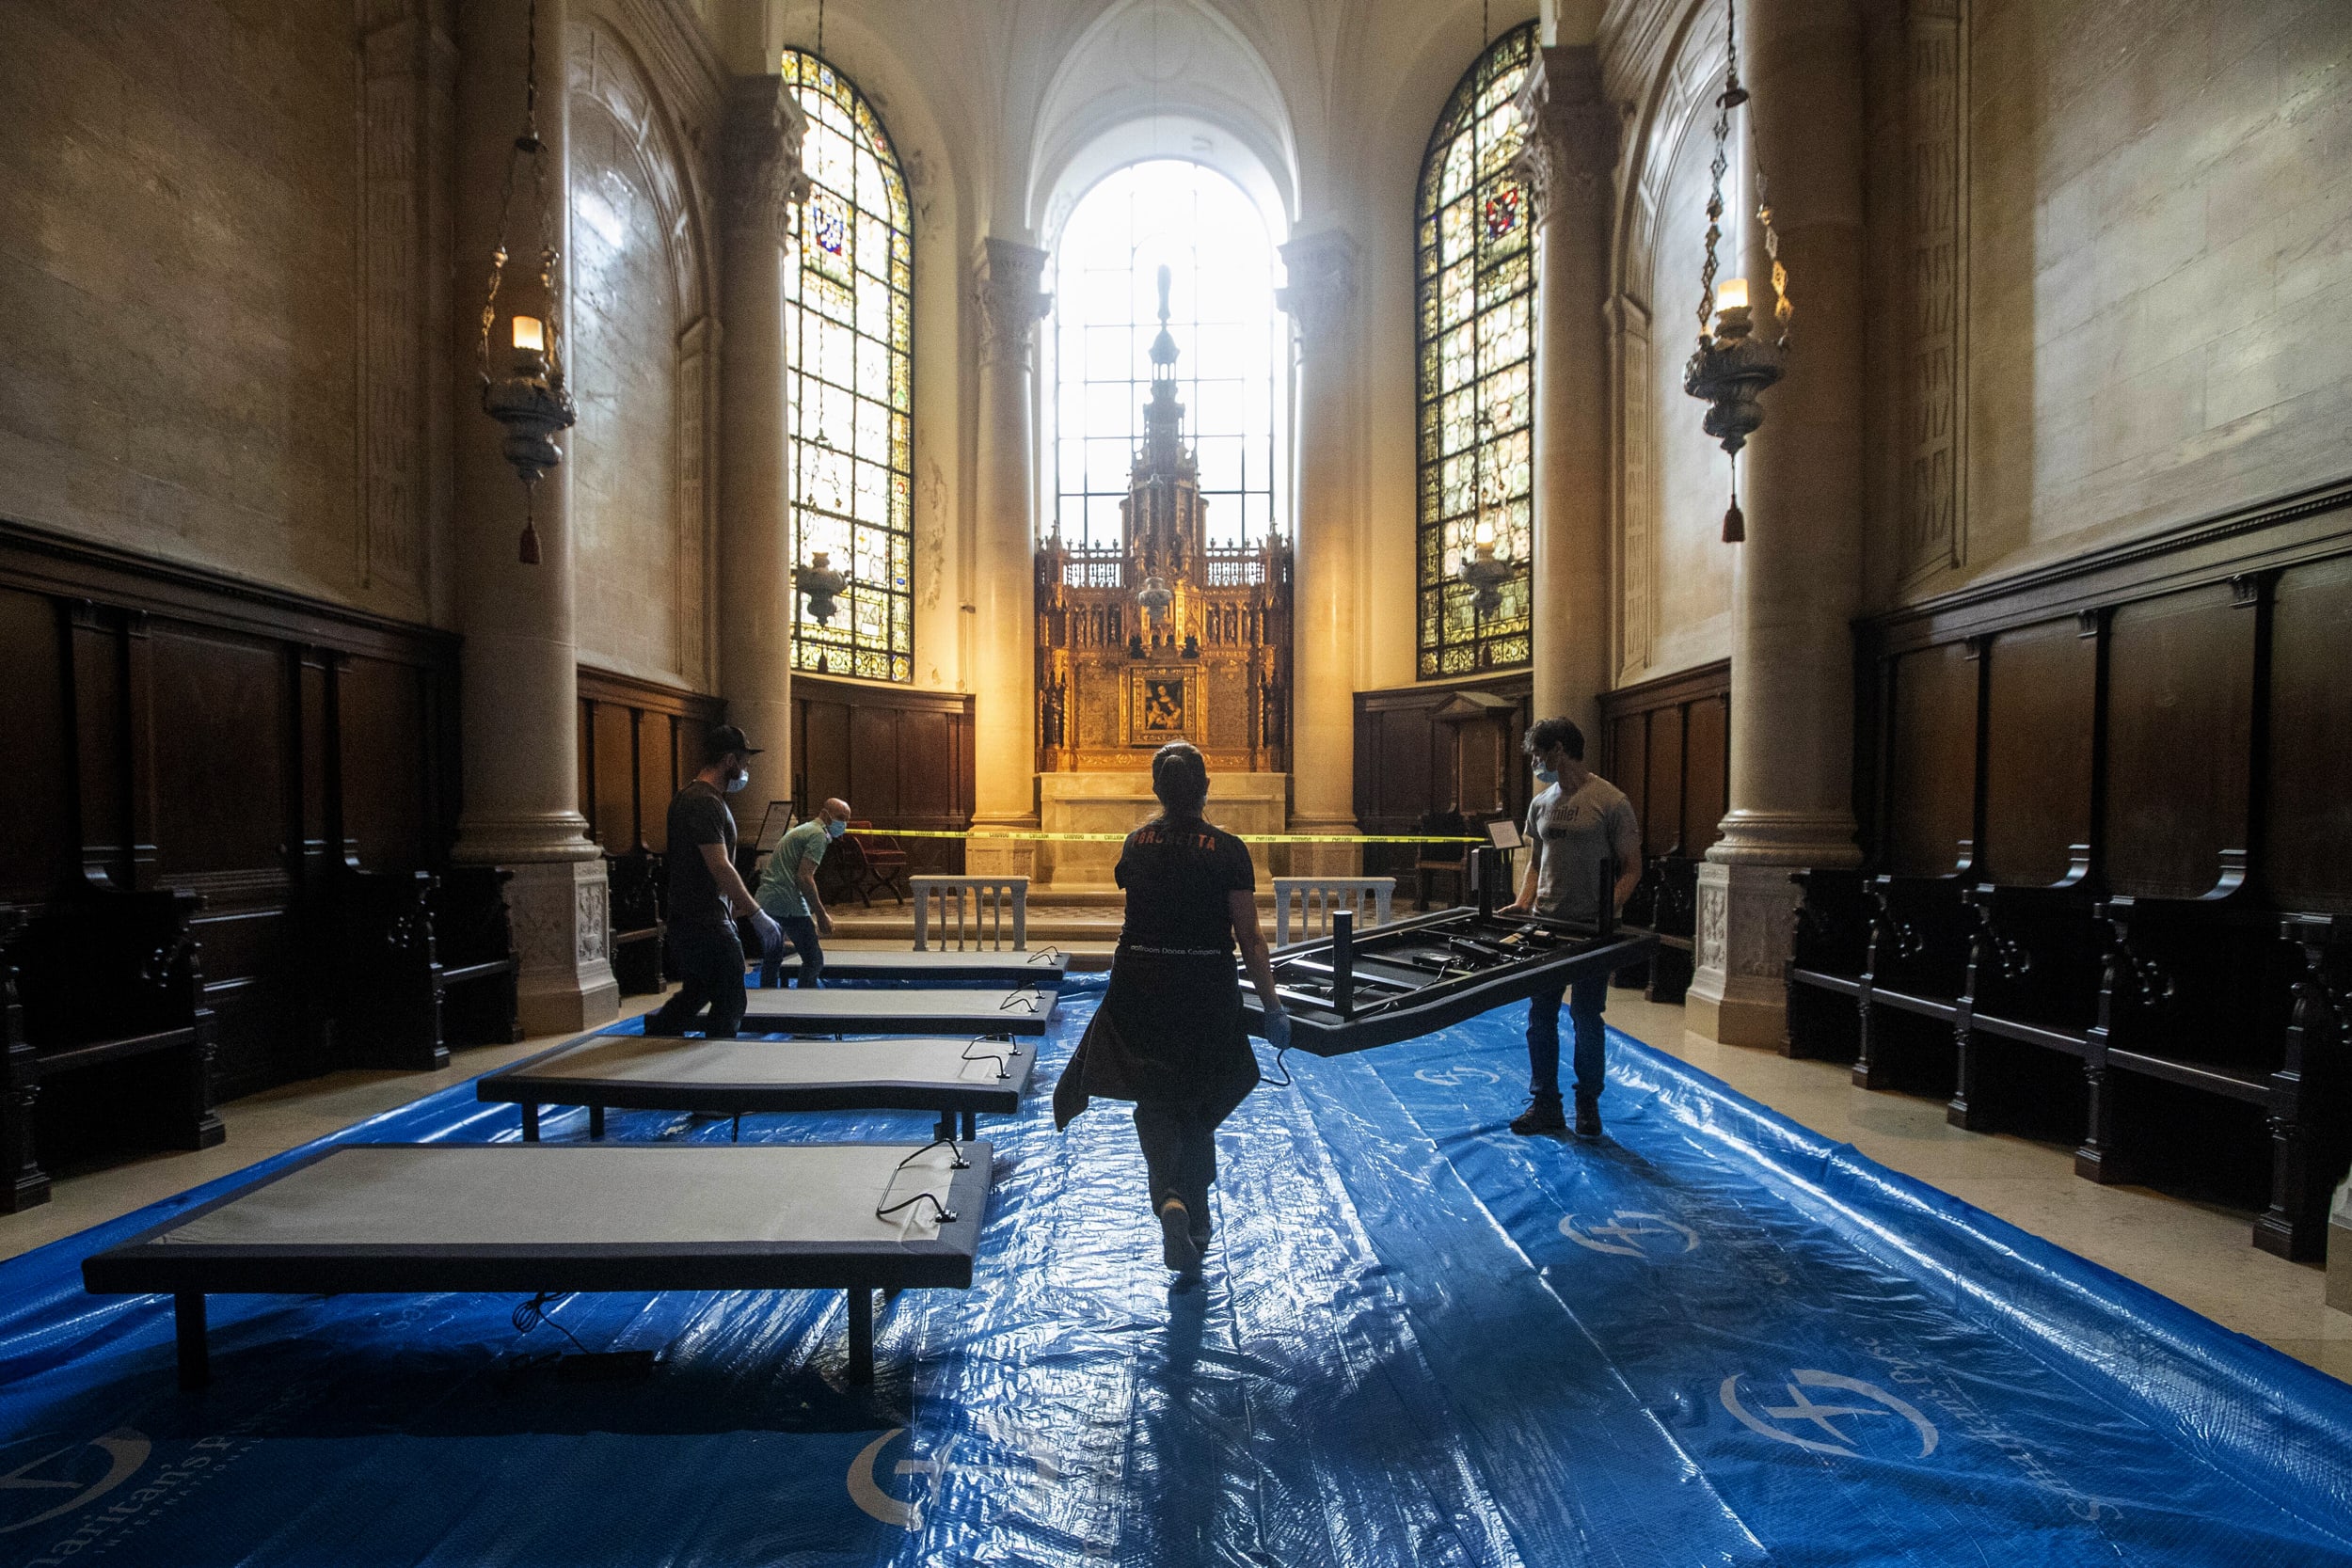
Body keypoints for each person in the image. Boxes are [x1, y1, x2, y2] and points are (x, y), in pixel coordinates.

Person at [1053, 741, 1290, 1290]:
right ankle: (1197, 1217)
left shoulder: (1136, 843)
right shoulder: (1228, 849)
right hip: (1204, 985)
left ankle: (1171, 1202)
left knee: (1155, 1098)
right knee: (1199, 1096)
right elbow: (1249, 937)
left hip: (1140, 982)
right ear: (1205, 788)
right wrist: (1272, 1005)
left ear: (1158, 789)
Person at [1500, 717, 1641, 1137]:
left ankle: (1587, 1104)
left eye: (1538, 754)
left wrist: (1606, 912)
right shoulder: (1541, 803)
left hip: (1591, 930)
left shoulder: (1610, 801)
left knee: (1586, 1016)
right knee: (1540, 1015)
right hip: (1546, 926)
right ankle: (1545, 1104)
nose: (1536, 763)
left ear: (1559, 750)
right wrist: (1524, 903)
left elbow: (1632, 869)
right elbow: (1535, 863)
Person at [644, 724, 781, 1039]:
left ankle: (656, 1042)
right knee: (731, 1001)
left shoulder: (689, 797)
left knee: (697, 992)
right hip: (703, 921)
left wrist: (731, 908)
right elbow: (719, 865)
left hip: (693, 917)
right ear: (730, 761)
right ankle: (718, 1071)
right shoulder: (704, 802)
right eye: (744, 762)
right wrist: (756, 913)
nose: (746, 769)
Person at [755, 797, 850, 989]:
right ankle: (805, 1004)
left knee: (772, 958)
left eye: (847, 819)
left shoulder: (802, 829)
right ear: (825, 814)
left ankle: (768, 1007)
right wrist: (821, 914)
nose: (844, 824)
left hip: (768, 900)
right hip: (787, 901)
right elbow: (804, 878)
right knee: (813, 960)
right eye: (840, 817)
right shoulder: (818, 835)